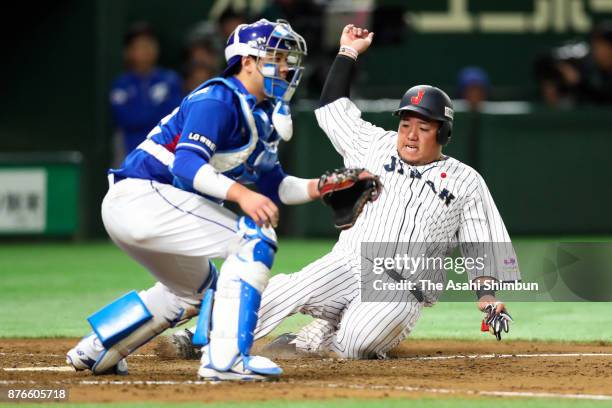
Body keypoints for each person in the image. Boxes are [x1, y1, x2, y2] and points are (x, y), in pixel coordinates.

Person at [169, 24, 521, 360]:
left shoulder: (465, 181)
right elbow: (332, 107)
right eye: (405, 124)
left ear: (442, 134)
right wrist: (348, 52)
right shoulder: (375, 145)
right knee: (286, 288)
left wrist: (487, 298)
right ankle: (202, 339)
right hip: (348, 263)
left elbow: (483, 245)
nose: (410, 134)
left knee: (356, 343)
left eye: (423, 127)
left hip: (402, 289)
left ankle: (311, 339)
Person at [66, 18, 319, 381]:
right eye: (277, 57)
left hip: (142, 205)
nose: (286, 67)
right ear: (247, 61)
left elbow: (276, 186)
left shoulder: (259, 115)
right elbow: (186, 164)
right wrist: (240, 194)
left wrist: (320, 188)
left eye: (288, 59)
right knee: (254, 238)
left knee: (191, 294)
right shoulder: (218, 97)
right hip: (143, 197)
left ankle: (95, 351)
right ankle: (226, 360)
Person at [110, 22, 183, 159]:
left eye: (150, 44)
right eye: (140, 46)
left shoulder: (169, 79)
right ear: (129, 52)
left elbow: (173, 117)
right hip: (131, 150)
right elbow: (124, 118)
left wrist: (143, 113)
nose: (146, 50)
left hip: (165, 151)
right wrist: (154, 112)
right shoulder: (121, 84)